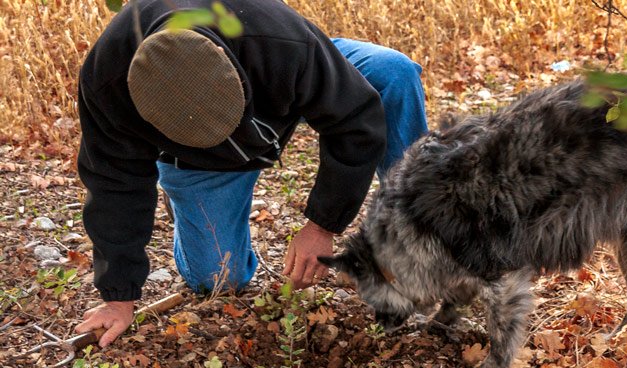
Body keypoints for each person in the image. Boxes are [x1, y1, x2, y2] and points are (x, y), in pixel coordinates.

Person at [74, 0, 428, 347]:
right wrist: (118, 298)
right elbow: (113, 183)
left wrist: (322, 225)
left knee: (393, 72)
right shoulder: (106, 82)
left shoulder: (277, 39)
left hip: (279, 82)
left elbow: (356, 121)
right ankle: (186, 199)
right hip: (199, 162)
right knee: (216, 280)